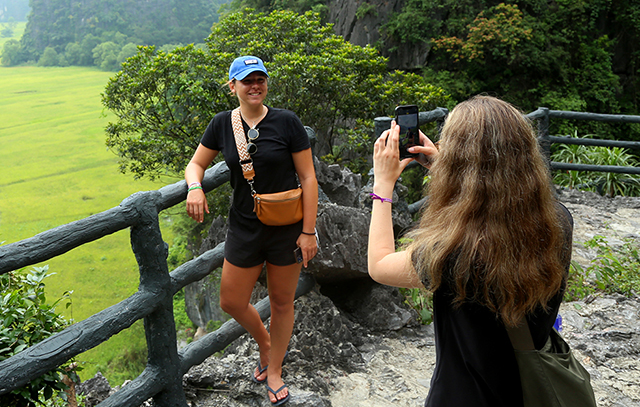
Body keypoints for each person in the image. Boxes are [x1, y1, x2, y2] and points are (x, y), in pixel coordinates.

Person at [368, 95, 573, 406]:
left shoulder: (452, 251)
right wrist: (445, 169)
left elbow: (380, 264)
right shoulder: (558, 222)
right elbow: (494, 201)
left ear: (459, 161)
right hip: (528, 389)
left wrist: (382, 186)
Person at [185, 55, 319, 405]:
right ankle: (265, 342)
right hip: (244, 226)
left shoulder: (287, 122)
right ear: (233, 87)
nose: (255, 85)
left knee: (281, 301)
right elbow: (196, 164)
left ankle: (274, 370)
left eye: (260, 79)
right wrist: (195, 187)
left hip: (288, 227)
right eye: (247, 80)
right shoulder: (221, 124)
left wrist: (308, 232)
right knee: (231, 300)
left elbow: (308, 177)